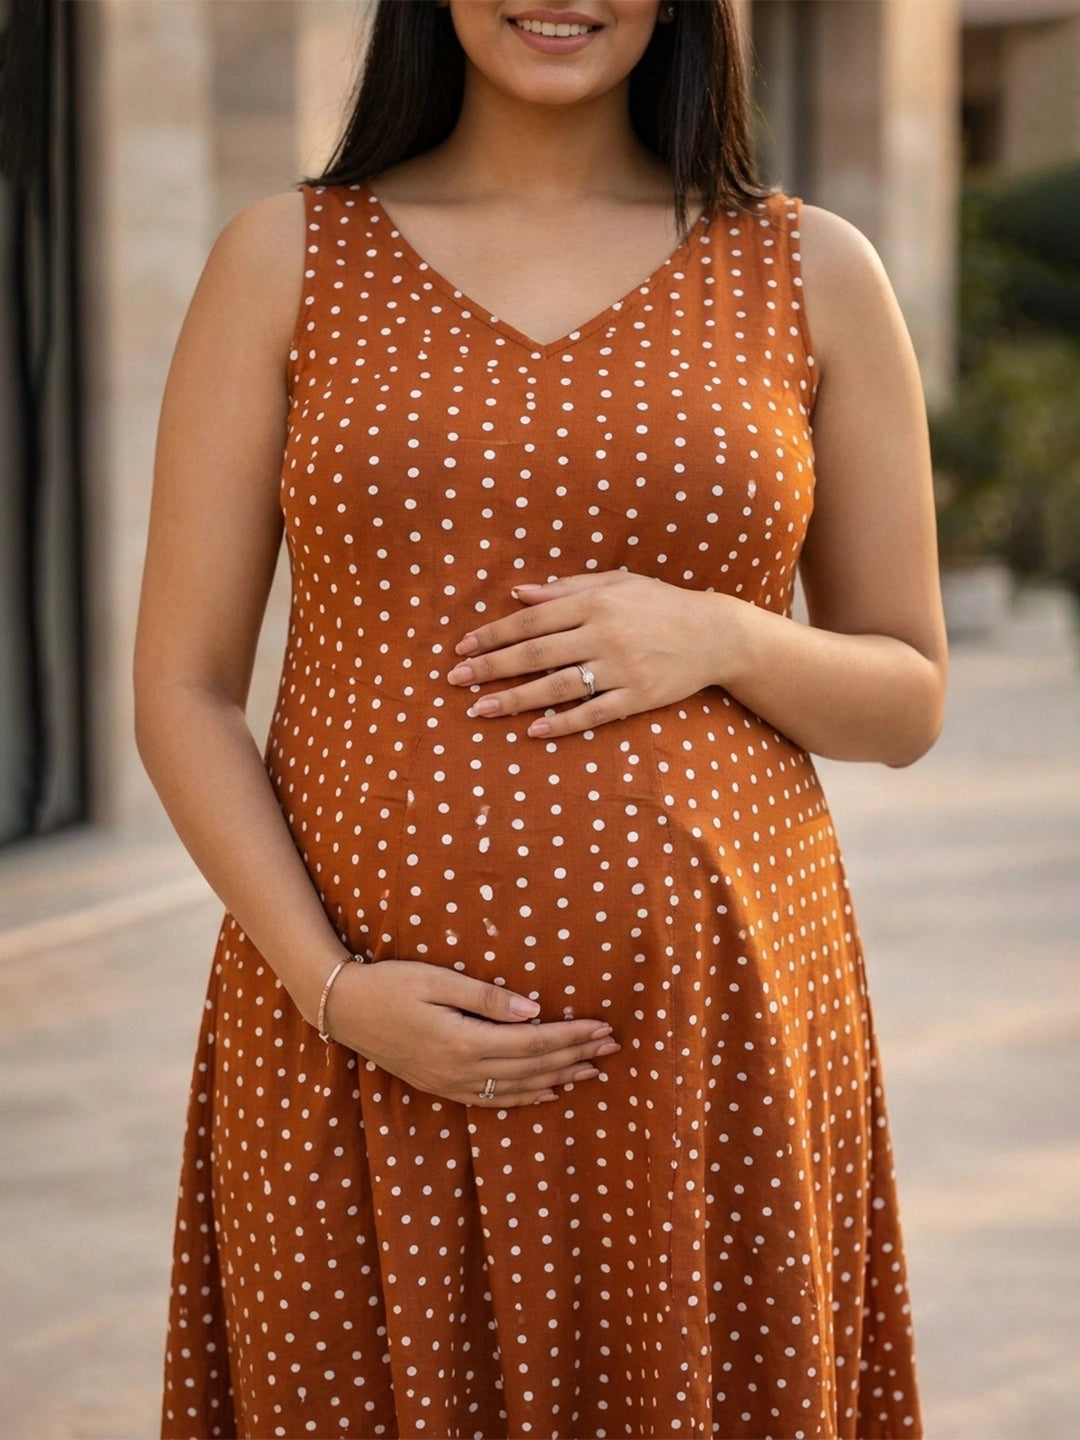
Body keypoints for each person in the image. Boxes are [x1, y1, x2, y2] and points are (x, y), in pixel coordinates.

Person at [135, 1, 946, 1436]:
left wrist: (720, 633)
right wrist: (334, 989)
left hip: (715, 1057)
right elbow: (183, 690)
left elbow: (907, 695)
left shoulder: (812, 270)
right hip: (353, 1045)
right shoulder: (285, 258)